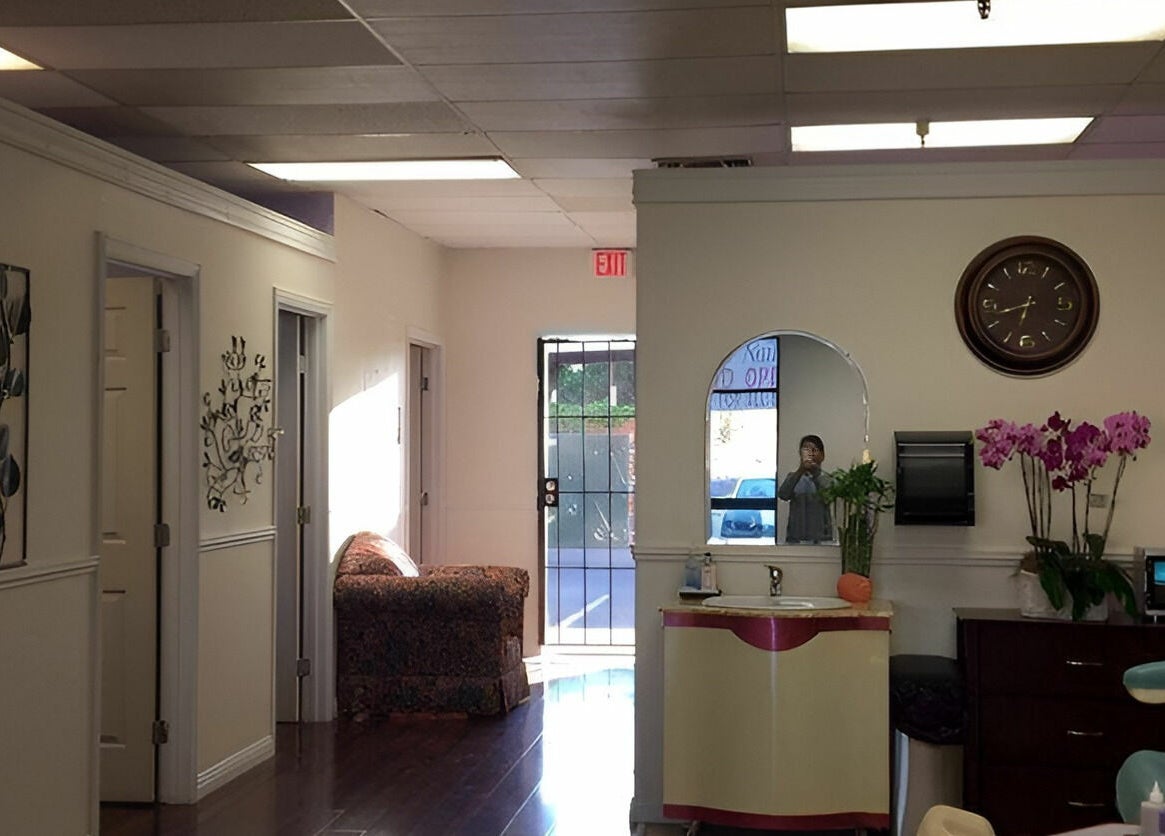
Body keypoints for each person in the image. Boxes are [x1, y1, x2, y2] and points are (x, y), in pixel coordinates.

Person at [778, 434, 833, 544]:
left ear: (822, 455)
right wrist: (800, 470)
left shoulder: (827, 478)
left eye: (814, 450)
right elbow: (783, 495)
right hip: (795, 539)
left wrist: (816, 474)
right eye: (806, 450)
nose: (810, 454)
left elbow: (829, 497)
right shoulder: (793, 477)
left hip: (821, 540)